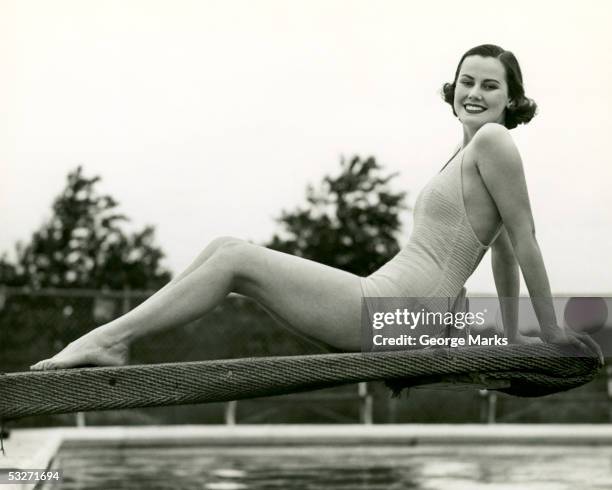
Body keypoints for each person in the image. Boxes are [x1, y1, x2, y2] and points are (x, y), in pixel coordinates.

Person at [30, 44, 603, 371]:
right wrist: (506, 330)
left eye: (490, 86)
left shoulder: (494, 143)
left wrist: (546, 329)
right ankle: (111, 339)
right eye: (466, 82)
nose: (474, 94)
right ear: (451, 90)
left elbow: (524, 238)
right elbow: (500, 250)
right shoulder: (467, 154)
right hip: (404, 313)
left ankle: (109, 339)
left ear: (512, 99)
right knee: (223, 252)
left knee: (235, 257)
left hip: (399, 316)